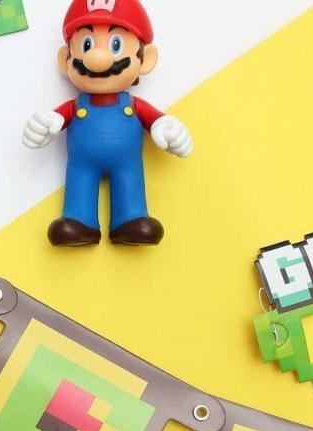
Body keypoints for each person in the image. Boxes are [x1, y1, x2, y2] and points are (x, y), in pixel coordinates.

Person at [23, 0, 193, 246]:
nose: (96, 58)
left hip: (127, 162)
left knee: (130, 180)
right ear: (65, 60)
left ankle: (130, 220)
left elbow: (155, 119)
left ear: (146, 59)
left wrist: (165, 125)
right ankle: (78, 221)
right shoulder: (75, 106)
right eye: (87, 45)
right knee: (79, 181)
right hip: (81, 163)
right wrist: (46, 124)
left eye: (115, 45)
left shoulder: (134, 105)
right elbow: (56, 119)